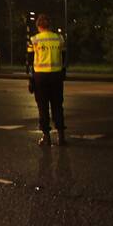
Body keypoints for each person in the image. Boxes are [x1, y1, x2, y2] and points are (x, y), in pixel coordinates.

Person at [28, 13, 66, 146]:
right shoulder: (59, 38)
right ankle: (61, 136)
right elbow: (64, 58)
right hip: (56, 76)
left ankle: (46, 137)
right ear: (49, 25)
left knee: (43, 108)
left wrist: (30, 79)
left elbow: (29, 61)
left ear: (38, 26)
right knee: (57, 106)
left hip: (40, 77)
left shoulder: (34, 40)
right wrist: (63, 73)